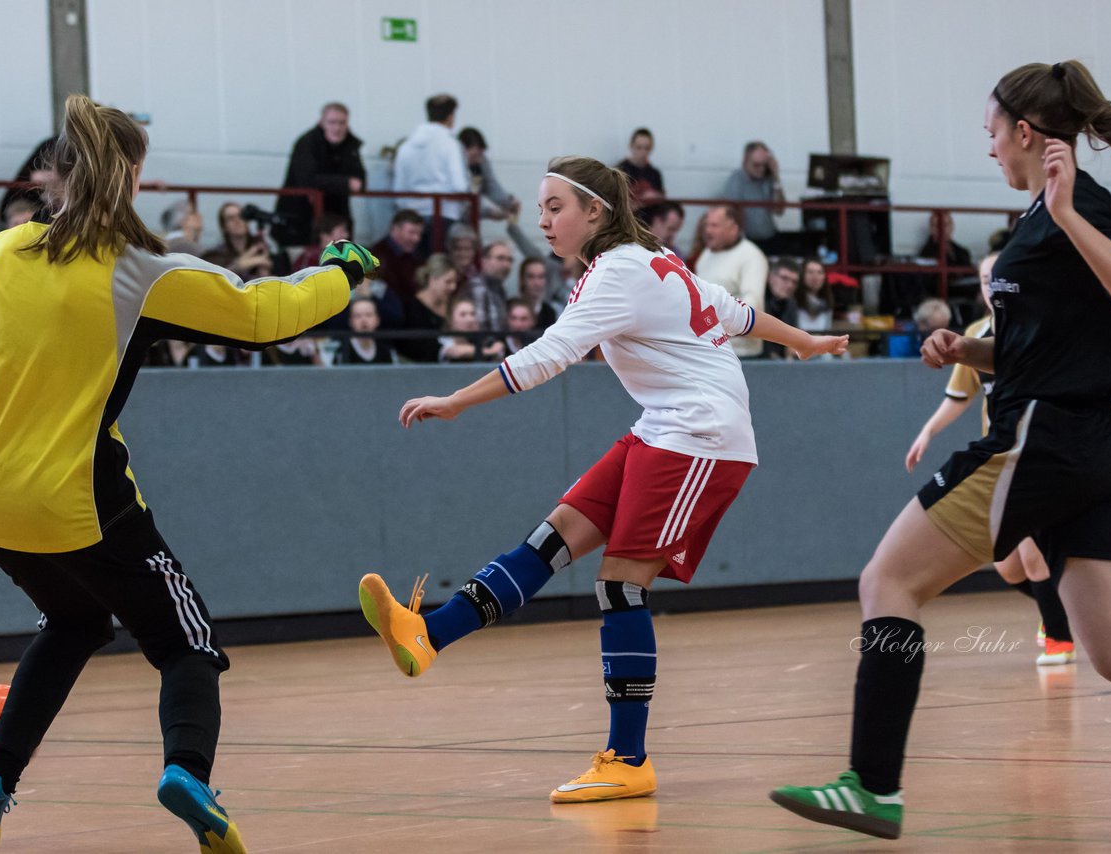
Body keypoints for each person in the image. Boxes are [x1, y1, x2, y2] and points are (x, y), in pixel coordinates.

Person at [770, 59, 1111, 841]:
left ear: (1025, 131)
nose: (988, 145)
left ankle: (872, 785)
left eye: (992, 130)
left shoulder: (1073, 204)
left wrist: (1067, 214)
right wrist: (970, 348)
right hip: (1089, 445)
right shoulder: (1038, 218)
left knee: (887, 580)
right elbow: (1050, 341)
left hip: (1046, 438)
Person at [358, 156, 848, 805]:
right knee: (552, 537)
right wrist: (803, 341)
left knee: (620, 585)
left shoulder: (620, 271)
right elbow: (735, 313)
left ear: (596, 211)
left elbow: (547, 357)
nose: (543, 220)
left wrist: (456, 399)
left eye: (554, 206)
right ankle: (430, 633)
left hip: (699, 434)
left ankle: (628, 757)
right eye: (539, 208)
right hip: (665, 425)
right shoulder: (650, 261)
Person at [0, 94, 377, 852]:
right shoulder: (139, 271)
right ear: (129, 176)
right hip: (79, 500)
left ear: (53, 174)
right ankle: (187, 773)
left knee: (74, 621)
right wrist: (340, 270)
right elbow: (265, 314)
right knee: (185, 643)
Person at [905, 254, 1076, 667]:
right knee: (1009, 567)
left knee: (1032, 551)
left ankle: (1061, 637)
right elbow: (958, 397)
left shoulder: (1036, 329)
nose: (990, 285)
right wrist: (927, 432)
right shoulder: (976, 334)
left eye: (997, 278)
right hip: (996, 459)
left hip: (1032, 455)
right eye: (984, 279)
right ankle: (1056, 611)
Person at [273, 102, 366, 246]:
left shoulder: (350, 146)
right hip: (301, 219)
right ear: (321, 122)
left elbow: (360, 180)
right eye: (332, 122)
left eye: (342, 123)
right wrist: (345, 183)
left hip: (334, 218)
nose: (337, 128)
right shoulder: (307, 143)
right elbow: (306, 179)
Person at [392, 94, 469, 253]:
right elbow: (459, 185)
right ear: (451, 117)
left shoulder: (406, 146)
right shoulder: (450, 145)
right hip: (444, 215)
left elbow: (399, 188)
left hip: (413, 217)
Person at [694, 205, 768, 358]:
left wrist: (716, 327)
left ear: (733, 228)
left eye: (715, 226)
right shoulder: (705, 255)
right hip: (708, 349)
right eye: (706, 225)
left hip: (741, 352)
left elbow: (753, 303)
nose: (708, 231)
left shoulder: (751, 256)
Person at [722, 141, 785, 253]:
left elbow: (779, 210)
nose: (761, 169)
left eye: (765, 165)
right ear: (745, 162)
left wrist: (776, 177)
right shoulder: (736, 180)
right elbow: (731, 213)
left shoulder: (768, 179)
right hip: (747, 241)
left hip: (770, 237)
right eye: (756, 165)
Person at [396, 253, 459, 363]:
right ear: (432, 279)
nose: (453, 287)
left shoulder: (452, 305)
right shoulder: (412, 309)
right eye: (448, 282)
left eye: (454, 282)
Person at [459, 127, 520, 220]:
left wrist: (507, 201)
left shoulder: (482, 162)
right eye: (476, 153)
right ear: (463, 149)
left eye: (481, 152)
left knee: (513, 205)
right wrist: (490, 210)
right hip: (459, 212)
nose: (479, 157)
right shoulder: (457, 166)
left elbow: (491, 184)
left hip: (476, 207)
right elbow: (467, 194)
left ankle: (513, 228)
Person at [370, 208, 427, 306]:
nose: (416, 239)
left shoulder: (417, 255)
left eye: (419, 234)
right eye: (411, 232)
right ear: (395, 229)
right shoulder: (377, 255)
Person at [439, 295, 504, 362]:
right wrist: (490, 351)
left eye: (473, 314)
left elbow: (499, 349)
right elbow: (456, 351)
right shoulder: (443, 341)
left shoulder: (486, 341)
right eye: (463, 314)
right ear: (450, 320)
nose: (470, 319)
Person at [615, 128, 664, 208]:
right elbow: (615, 202)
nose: (643, 152)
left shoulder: (654, 174)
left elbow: (661, 200)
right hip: (628, 218)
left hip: (650, 218)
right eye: (639, 147)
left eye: (647, 148)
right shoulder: (619, 172)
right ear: (631, 146)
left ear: (651, 148)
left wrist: (656, 197)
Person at [338, 297, 394, 365]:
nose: (363, 320)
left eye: (368, 315)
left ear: (377, 320)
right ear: (350, 321)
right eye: (357, 316)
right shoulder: (342, 351)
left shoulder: (385, 351)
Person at [794, 257, 833, 332]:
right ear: (802, 275)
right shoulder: (793, 303)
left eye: (819, 272)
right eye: (810, 272)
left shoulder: (827, 304)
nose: (815, 277)